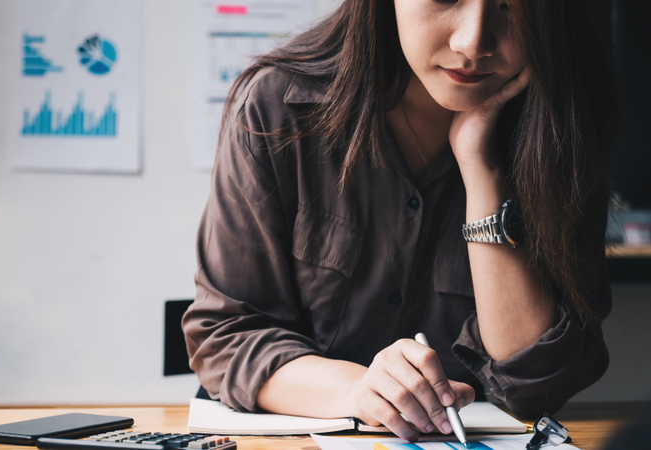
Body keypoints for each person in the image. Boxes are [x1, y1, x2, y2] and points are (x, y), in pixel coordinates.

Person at [183, 0, 621, 443]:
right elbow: (225, 335)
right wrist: (360, 390)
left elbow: (536, 383)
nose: (472, 43)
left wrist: (480, 169)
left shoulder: (564, 127)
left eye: (513, 8)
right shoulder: (279, 107)